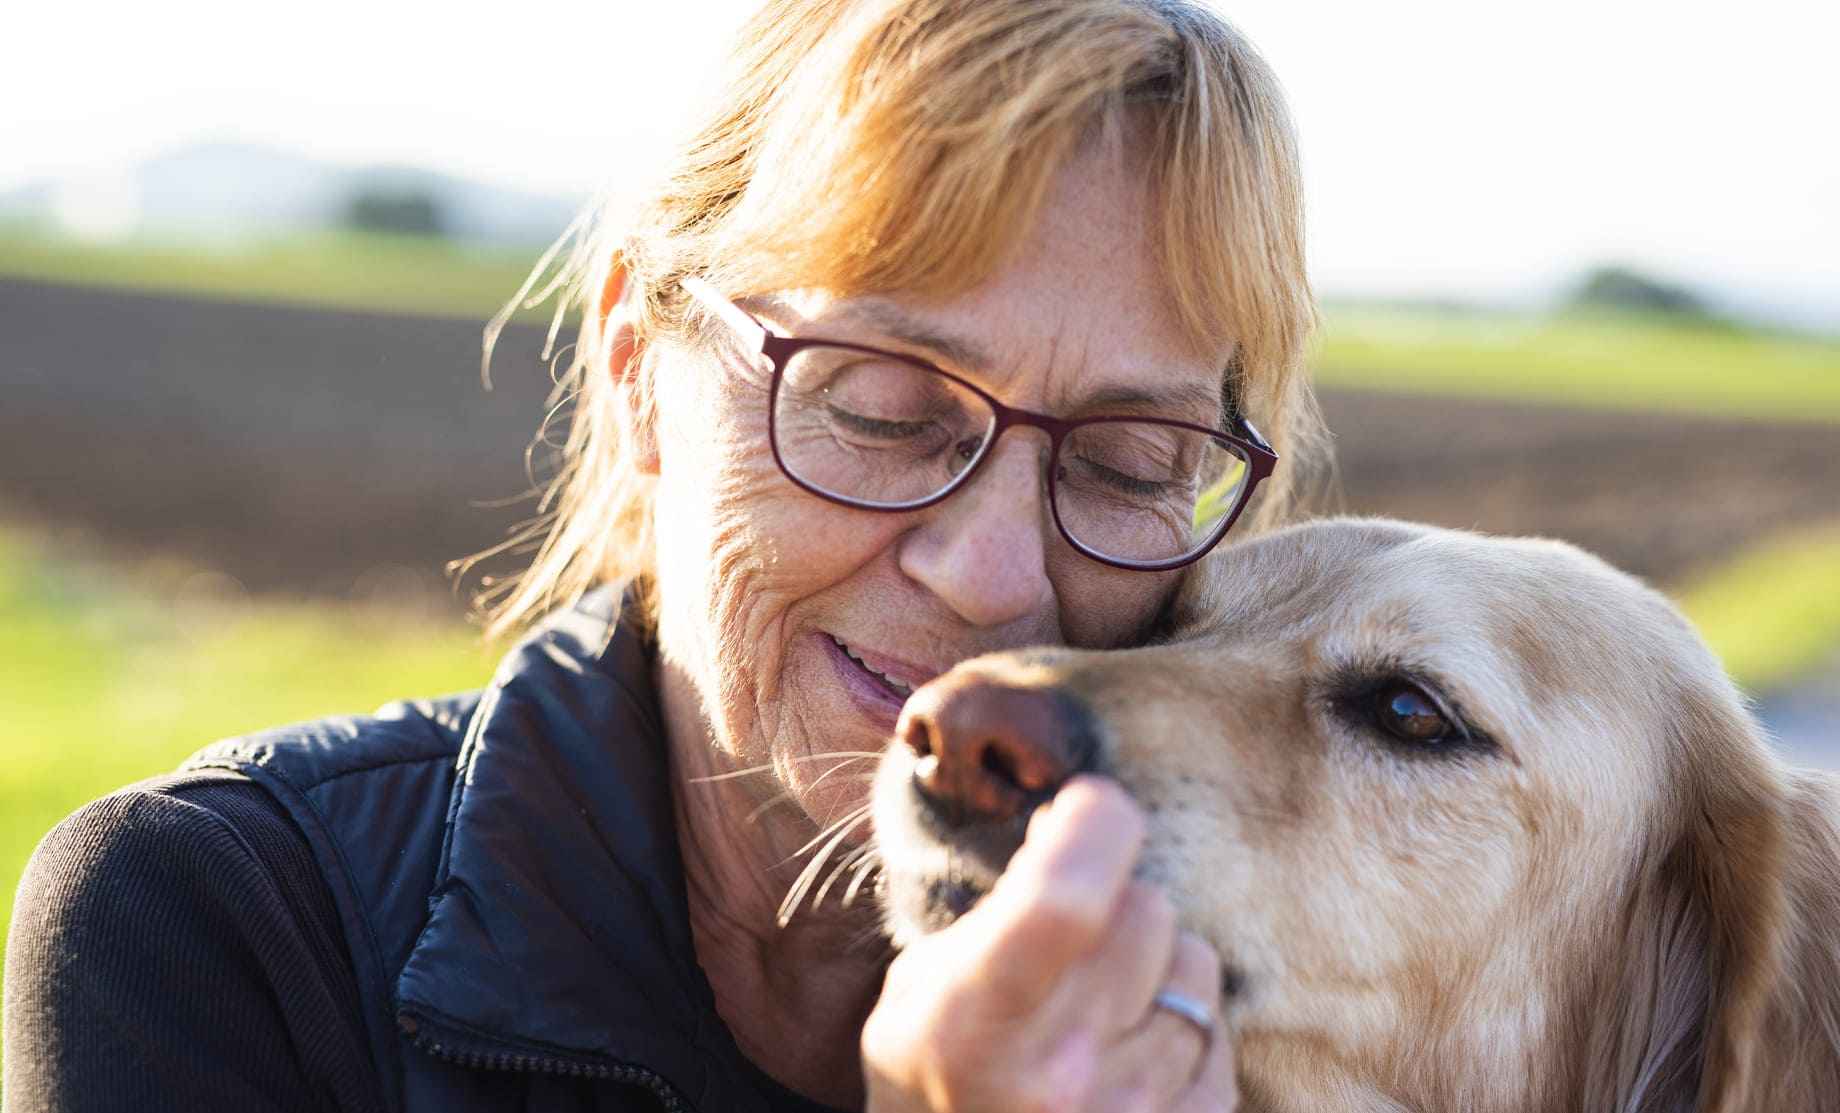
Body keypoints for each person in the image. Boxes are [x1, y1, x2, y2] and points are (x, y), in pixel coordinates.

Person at [3, 1, 1323, 1109]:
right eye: (882, 409)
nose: (993, 576)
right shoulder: (223, 927)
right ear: (639, 370)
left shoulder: (1305, 998)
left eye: (1125, 462)